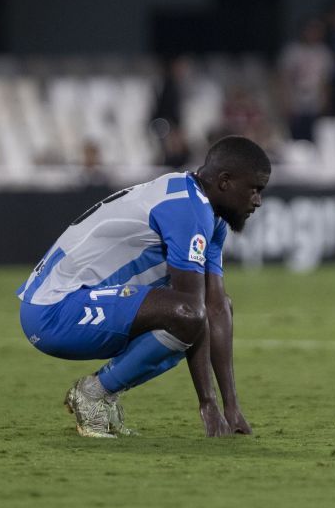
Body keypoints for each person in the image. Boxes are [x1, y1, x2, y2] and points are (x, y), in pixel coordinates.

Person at [16, 136, 270, 438]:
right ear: (225, 182)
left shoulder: (208, 215)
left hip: (78, 304)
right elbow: (193, 309)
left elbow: (216, 306)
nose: (258, 201)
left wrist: (231, 407)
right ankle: (92, 394)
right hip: (53, 310)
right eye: (254, 189)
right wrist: (207, 404)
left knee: (193, 322)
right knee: (187, 318)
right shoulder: (188, 210)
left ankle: (102, 394)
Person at [279, 18, 333, 141]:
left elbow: (325, 80)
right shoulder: (292, 51)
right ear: (303, 31)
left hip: (315, 100)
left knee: (316, 136)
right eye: (310, 30)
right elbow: (284, 78)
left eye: (316, 31)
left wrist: (325, 100)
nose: (313, 34)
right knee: (296, 137)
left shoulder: (324, 52)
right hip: (296, 99)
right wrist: (285, 101)